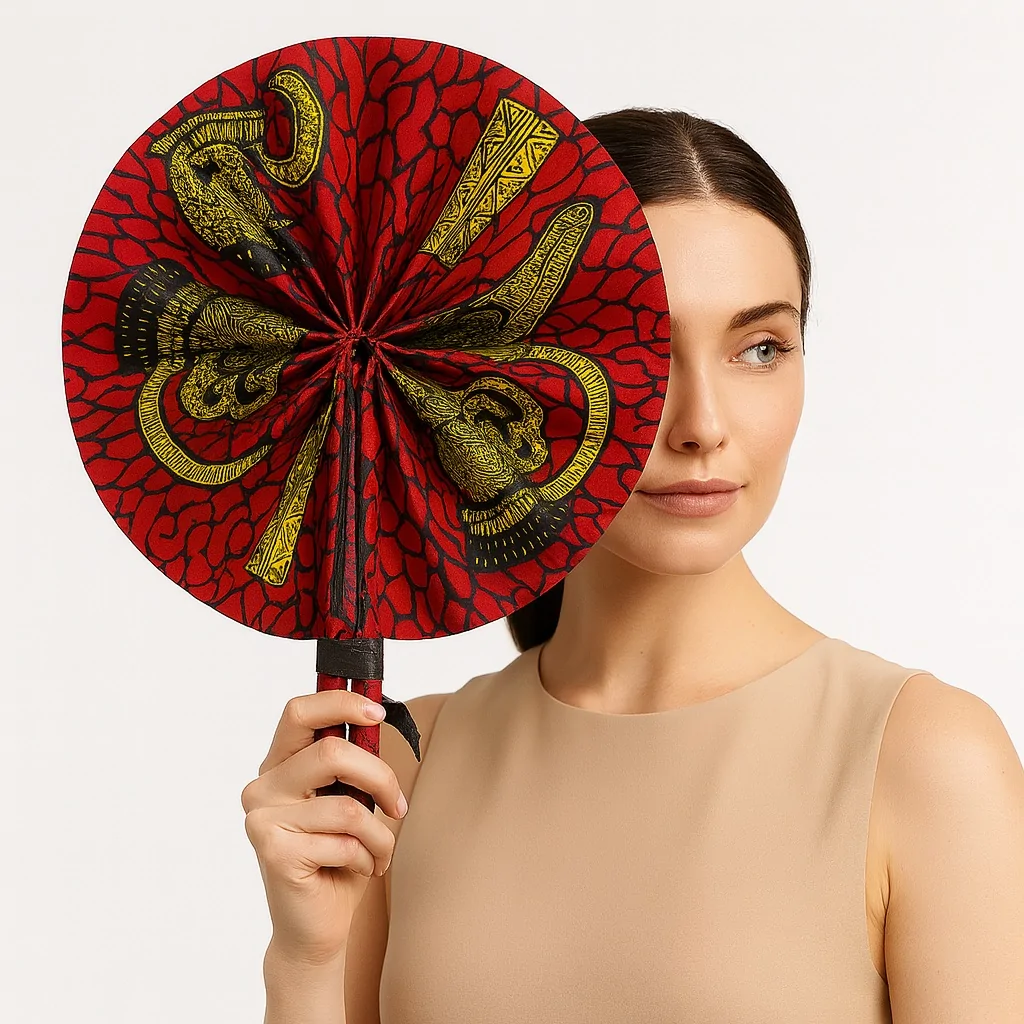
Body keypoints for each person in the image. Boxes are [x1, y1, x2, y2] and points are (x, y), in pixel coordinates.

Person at [242, 108, 1024, 1024]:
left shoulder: (927, 760)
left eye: (760, 347)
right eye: (633, 347)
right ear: (509, 369)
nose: (700, 422)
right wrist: (303, 960)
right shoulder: (399, 766)